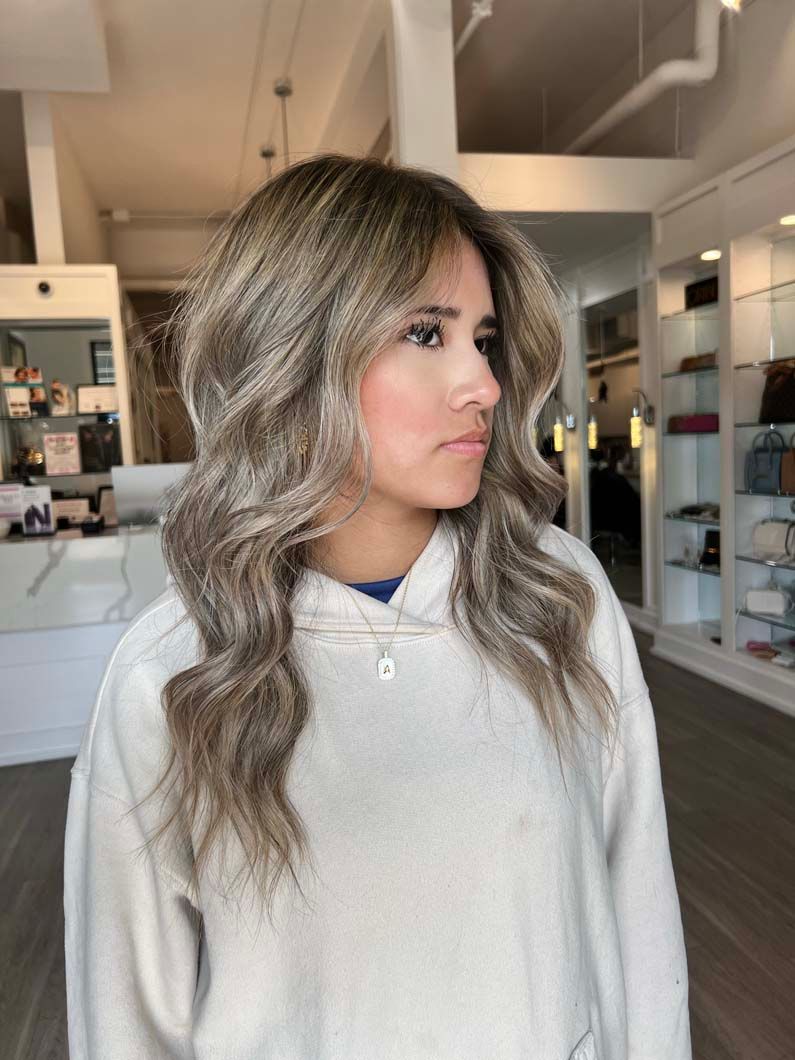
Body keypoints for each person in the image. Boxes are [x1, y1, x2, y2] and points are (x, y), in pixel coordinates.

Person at [63, 153, 691, 1059]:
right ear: (294, 352)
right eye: (426, 334)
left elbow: (638, 909)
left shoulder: (556, 594)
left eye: (483, 338)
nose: (483, 383)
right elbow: (127, 1024)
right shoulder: (174, 673)